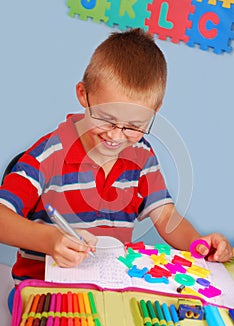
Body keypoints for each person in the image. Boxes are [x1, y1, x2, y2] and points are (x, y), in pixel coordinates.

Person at [0, 28, 232, 286]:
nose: (117, 135)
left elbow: (166, 217)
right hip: (43, 290)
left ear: (155, 111)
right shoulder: (49, 154)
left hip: (110, 289)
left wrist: (199, 245)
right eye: (106, 119)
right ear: (83, 95)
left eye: (134, 126)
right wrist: (48, 239)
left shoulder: (142, 155)